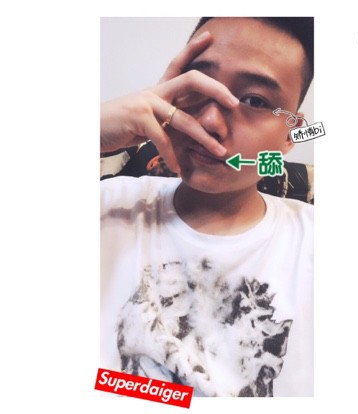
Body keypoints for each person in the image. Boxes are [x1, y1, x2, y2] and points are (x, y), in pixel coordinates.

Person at [100, 17, 314, 397]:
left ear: (291, 133)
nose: (210, 121)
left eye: (254, 100)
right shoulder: (106, 206)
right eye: (198, 84)